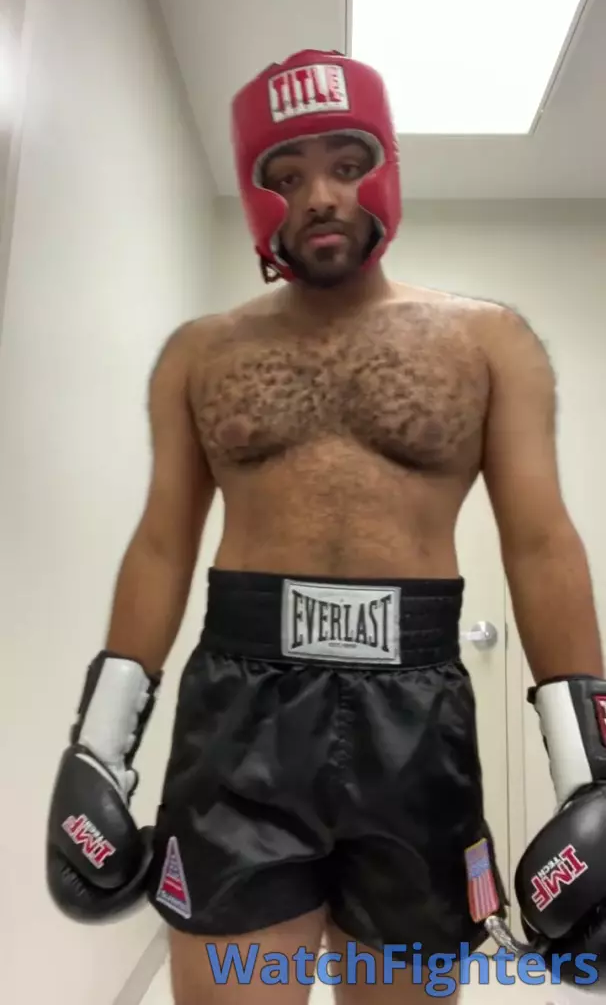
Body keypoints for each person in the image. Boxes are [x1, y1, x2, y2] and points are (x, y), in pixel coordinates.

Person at [46, 50, 606, 1004]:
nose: (320, 195)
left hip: (415, 717)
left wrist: (591, 775)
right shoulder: (198, 355)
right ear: (255, 194)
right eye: (287, 173)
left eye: (347, 163)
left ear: (385, 168)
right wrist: (97, 746)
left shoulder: (489, 342)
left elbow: (541, 544)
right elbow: (162, 545)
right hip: (239, 713)